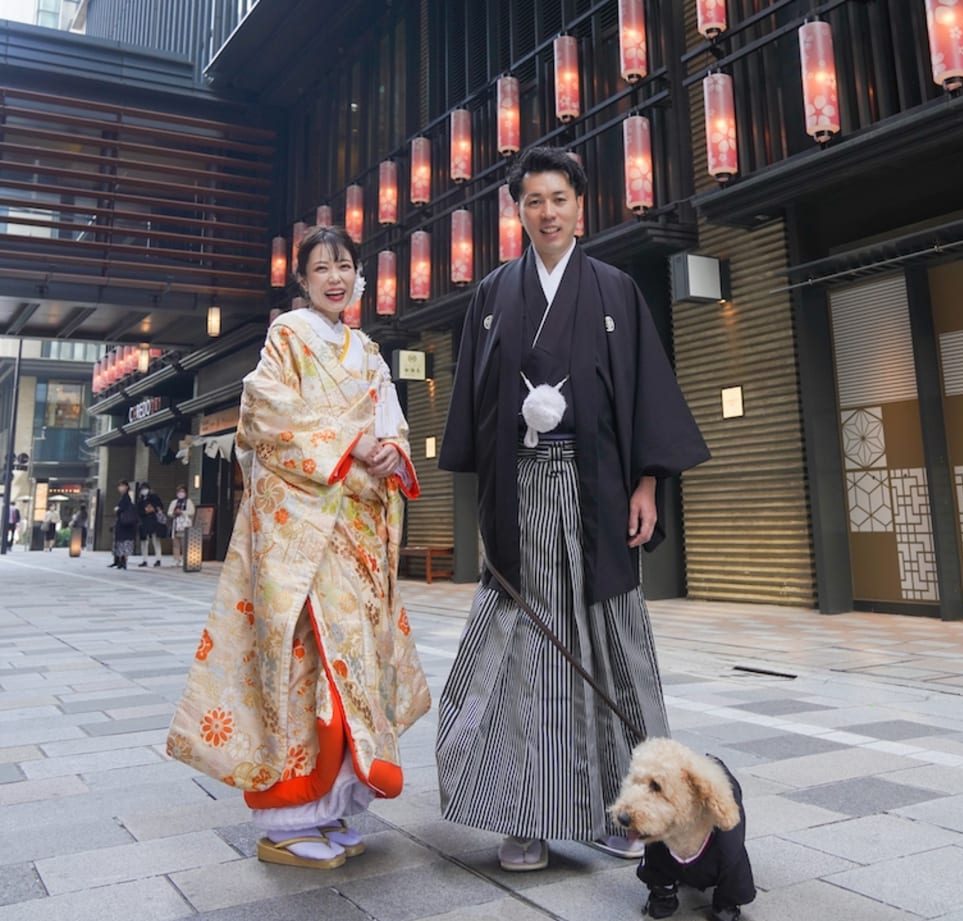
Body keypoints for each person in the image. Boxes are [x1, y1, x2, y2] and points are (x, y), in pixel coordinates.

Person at [436, 145, 711, 872]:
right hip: (521, 501)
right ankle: (521, 815)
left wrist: (648, 485)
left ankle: (620, 812)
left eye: (559, 198)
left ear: (580, 208)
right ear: (518, 212)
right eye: (533, 201)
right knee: (520, 653)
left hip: (599, 499)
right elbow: (476, 410)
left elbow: (646, 397)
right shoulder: (494, 295)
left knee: (611, 648)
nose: (547, 212)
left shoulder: (616, 290)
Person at [167, 225, 431, 869]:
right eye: (322, 269)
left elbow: (392, 421)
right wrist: (350, 444)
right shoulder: (287, 336)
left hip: (357, 531)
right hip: (304, 533)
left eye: (344, 266)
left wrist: (389, 448)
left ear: (358, 275)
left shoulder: (368, 351)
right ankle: (287, 817)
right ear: (304, 281)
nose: (335, 278)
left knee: (355, 669)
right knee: (305, 663)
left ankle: (332, 805)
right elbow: (263, 413)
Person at [136, 483, 165, 566]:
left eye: (145, 489)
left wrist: (154, 509)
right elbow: (138, 511)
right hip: (143, 522)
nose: (143, 491)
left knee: (156, 540)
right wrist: (145, 511)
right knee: (144, 542)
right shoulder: (140, 499)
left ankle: (158, 559)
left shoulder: (154, 497)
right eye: (142, 489)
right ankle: (144, 559)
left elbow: (160, 507)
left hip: (154, 521)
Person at [167, 486, 196, 567]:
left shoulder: (188, 502)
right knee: (176, 544)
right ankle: (176, 559)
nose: (181, 493)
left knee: (184, 543)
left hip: (185, 525)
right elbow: (169, 512)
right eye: (179, 491)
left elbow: (192, 512)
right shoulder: (174, 502)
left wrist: (182, 512)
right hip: (176, 525)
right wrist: (174, 513)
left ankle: (185, 559)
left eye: (182, 491)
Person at [111, 480, 136, 569]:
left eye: (122, 486)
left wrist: (117, 509)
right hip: (124, 524)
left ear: (126, 487)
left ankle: (123, 561)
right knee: (122, 542)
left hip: (125, 523)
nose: (120, 488)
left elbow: (123, 508)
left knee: (124, 542)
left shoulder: (126, 498)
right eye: (119, 486)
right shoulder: (124, 497)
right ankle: (121, 561)